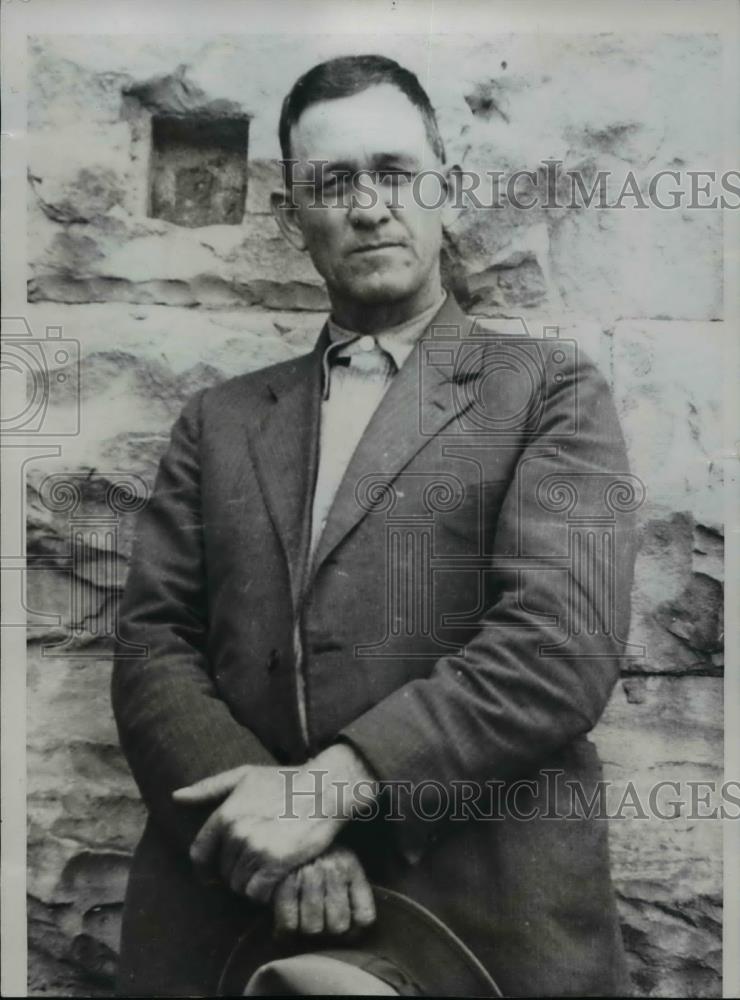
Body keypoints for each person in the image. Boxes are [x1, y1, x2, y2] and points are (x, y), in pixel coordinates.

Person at [112, 54, 638, 997]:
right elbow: (155, 651)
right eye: (333, 182)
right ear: (294, 220)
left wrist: (328, 794)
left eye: (395, 172)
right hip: (240, 913)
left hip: (480, 912)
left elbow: (561, 645)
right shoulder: (219, 422)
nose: (368, 206)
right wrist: (275, 843)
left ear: (446, 186)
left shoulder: (552, 392)